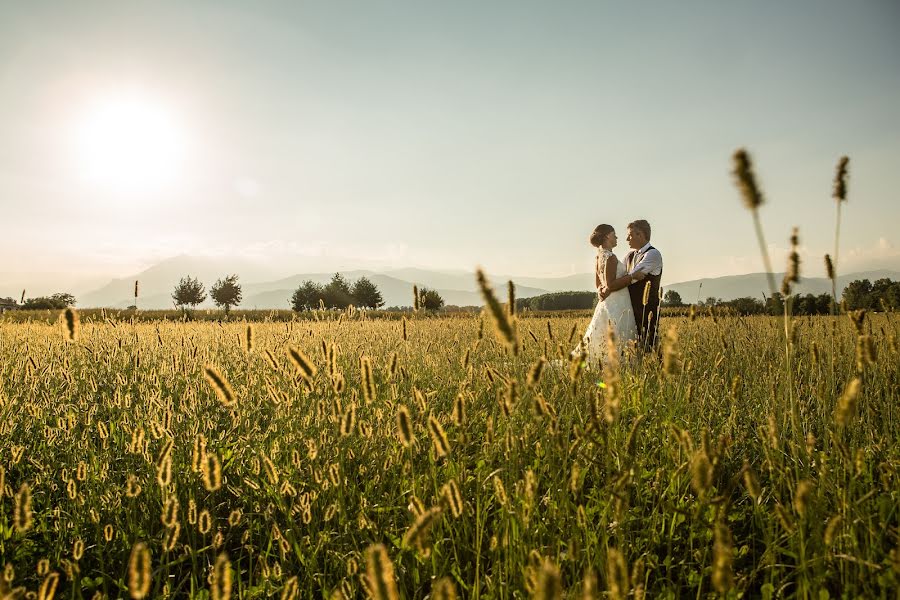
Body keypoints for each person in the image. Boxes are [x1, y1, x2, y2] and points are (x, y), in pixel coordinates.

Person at [577, 224, 638, 368]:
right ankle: (619, 365)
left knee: (606, 333)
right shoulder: (610, 257)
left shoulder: (599, 256)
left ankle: (608, 363)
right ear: (606, 237)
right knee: (620, 331)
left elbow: (598, 282)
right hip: (618, 301)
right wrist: (632, 277)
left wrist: (600, 291)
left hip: (607, 301)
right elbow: (611, 284)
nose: (617, 237)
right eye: (614, 234)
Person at [601, 219, 663, 351]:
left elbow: (633, 277)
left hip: (646, 311)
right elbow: (620, 277)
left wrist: (609, 287)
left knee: (649, 347)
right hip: (629, 310)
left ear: (640, 234)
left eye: (630, 235)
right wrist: (605, 286)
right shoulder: (629, 255)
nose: (627, 238)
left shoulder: (653, 254)